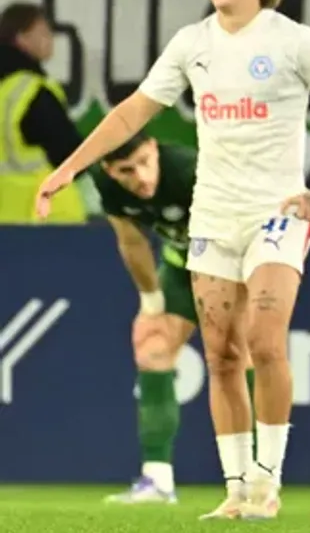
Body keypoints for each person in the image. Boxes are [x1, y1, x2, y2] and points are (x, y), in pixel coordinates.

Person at [34, 0, 310, 521]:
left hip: (276, 213)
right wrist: (69, 168)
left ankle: (267, 482)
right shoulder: (193, 44)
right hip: (212, 215)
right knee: (221, 355)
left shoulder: (295, 41)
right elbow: (132, 112)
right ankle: (236, 490)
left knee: (265, 342)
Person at [94, 133, 256, 505]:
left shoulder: (189, 171)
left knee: (235, 357)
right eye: (126, 170)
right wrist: (151, 300)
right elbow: (131, 240)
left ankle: (256, 478)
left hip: (230, 265)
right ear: (108, 170)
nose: (140, 177)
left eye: (144, 162)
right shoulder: (106, 183)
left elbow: (242, 228)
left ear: (154, 148)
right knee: (152, 347)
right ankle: (158, 481)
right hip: (181, 268)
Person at [0, 1, 85, 224]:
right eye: (43, 32)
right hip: (47, 221)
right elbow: (69, 153)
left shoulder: (6, 90)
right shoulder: (31, 91)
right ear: (21, 38)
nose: (50, 39)